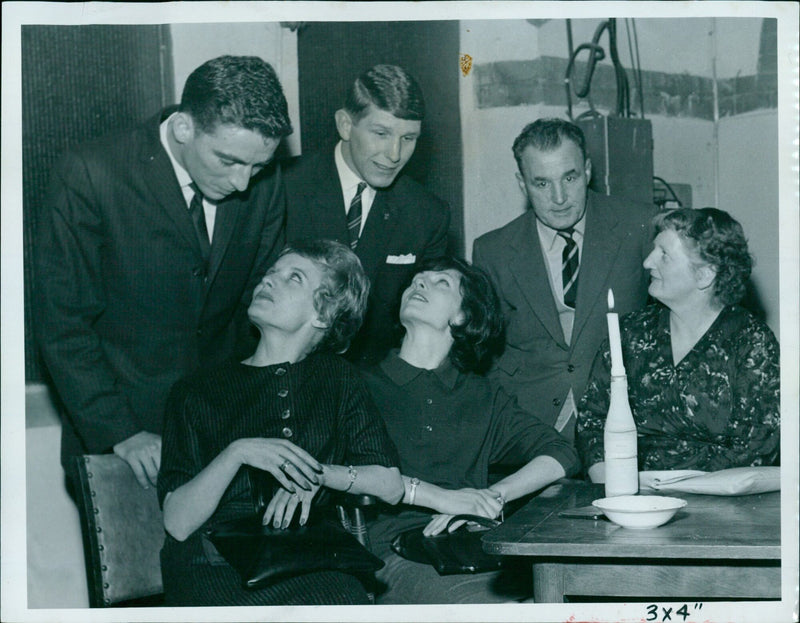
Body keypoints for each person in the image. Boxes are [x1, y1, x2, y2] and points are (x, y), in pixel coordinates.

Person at [35, 56, 292, 490]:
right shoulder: (90, 174)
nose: (244, 183)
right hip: (119, 439)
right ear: (183, 129)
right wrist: (121, 432)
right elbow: (63, 325)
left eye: (257, 166)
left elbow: (256, 307)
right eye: (228, 161)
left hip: (222, 433)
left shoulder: (262, 181)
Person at [158, 239, 404, 606]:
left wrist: (318, 474)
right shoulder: (195, 390)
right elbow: (177, 523)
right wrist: (238, 453)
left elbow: (390, 485)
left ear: (323, 314)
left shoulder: (338, 380)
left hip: (309, 561)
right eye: (270, 273)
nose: (268, 281)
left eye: (294, 278)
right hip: (213, 568)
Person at [361, 256, 580, 604]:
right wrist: (442, 498)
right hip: (391, 552)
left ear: (463, 316)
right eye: (416, 280)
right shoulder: (361, 385)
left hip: (472, 547)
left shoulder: (483, 395)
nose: (419, 284)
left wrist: (487, 498)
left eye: (440, 283)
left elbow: (562, 453)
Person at [472, 118, 656, 443]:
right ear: (521, 184)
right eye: (541, 183)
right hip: (528, 427)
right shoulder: (492, 250)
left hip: (629, 419)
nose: (559, 198)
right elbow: (486, 356)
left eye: (569, 178)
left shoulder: (640, 225)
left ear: (587, 171)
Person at [576, 208, 780, 477]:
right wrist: (611, 479)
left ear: (704, 275)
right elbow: (592, 420)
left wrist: (673, 485)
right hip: (633, 495)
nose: (648, 262)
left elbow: (756, 447)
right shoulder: (631, 332)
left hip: (719, 502)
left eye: (664, 255)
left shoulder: (750, 340)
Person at [285, 64, 450, 367]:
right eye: (381, 133)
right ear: (346, 125)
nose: (394, 154)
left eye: (409, 139)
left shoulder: (427, 214)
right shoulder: (283, 187)